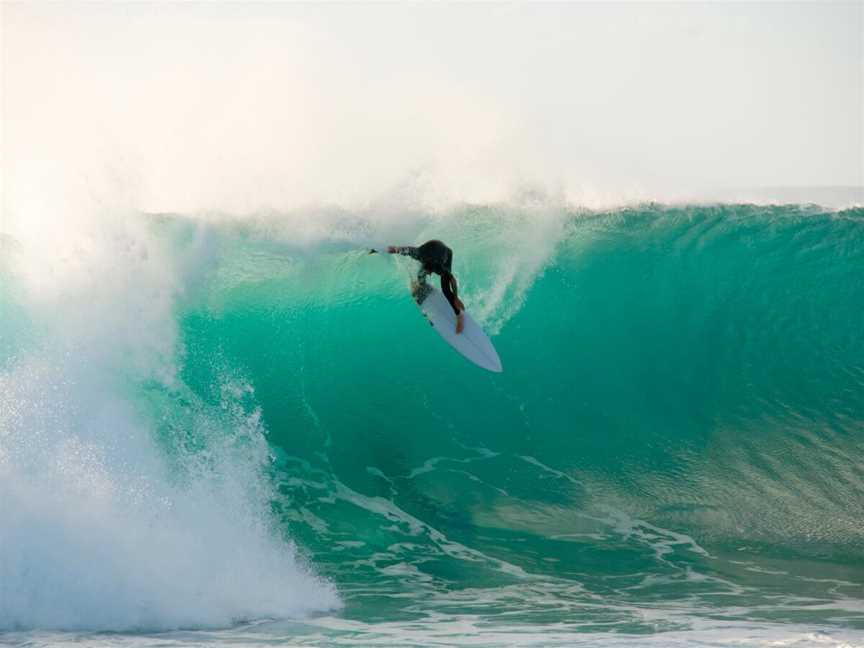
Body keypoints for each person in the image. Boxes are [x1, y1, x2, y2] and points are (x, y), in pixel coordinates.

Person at [387, 240, 465, 334]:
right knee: (420, 275)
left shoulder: (440, 267)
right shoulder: (419, 254)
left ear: (433, 269)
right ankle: (422, 286)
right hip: (431, 249)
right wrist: (396, 249)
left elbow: (453, 280)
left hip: (446, 253)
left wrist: (456, 297)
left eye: (430, 272)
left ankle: (459, 316)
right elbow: (407, 250)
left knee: (446, 289)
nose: (430, 274)